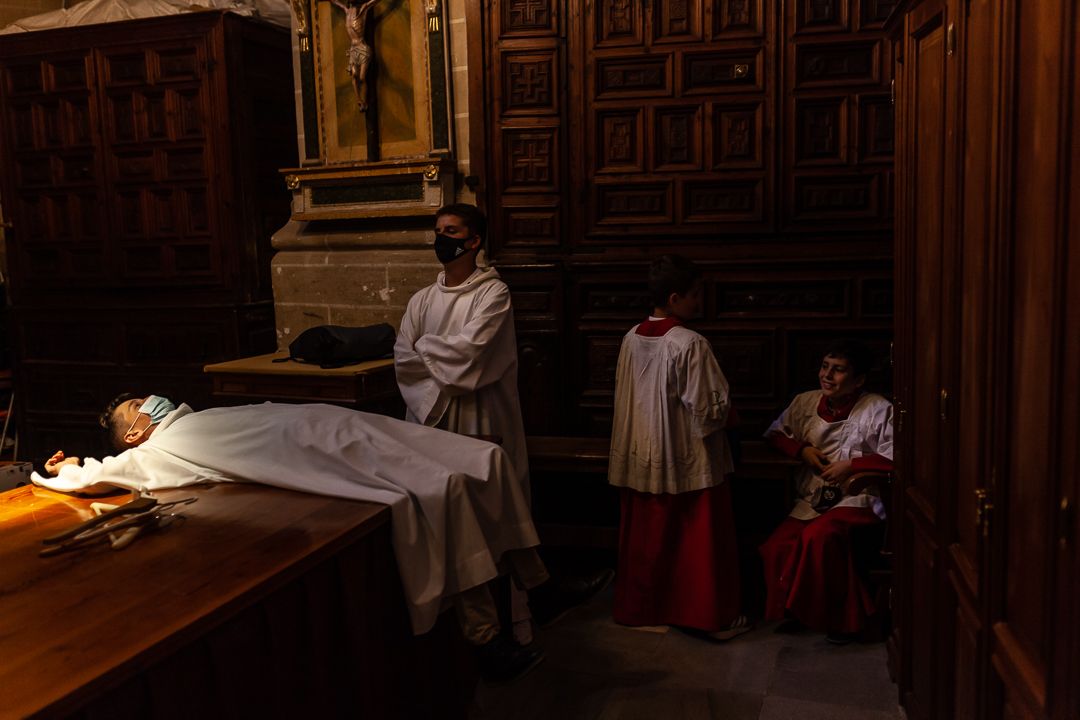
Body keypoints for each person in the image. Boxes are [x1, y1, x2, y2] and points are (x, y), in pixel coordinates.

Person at [35, 394, 548, 681]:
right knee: (441, 486)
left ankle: (536, 586)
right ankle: (487, 640)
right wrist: (66, 469)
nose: (152, 400)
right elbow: (99, 476)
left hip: (327, 420)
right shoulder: (152, 452)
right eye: (138, 405)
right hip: (317, 446)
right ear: (133, 432)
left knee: (480, 457)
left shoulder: (200, 418)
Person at [394, 204, 612, 656]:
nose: (441, 239)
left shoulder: (492, 294)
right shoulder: (421, 301)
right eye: (437, 231)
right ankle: (515, 611)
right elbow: (403, 357)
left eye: (451, 231)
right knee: (455, 519)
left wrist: (427, 354)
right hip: (432, 421)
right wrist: (436, 361)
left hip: (481, 418)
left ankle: (514, 620)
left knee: (492, 512)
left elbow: (472, 353)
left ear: (473, 241)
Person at [607, 255, 750, 639]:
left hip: (643, 449)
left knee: (650, 541)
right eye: (695, 295)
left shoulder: (630, 336)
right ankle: (705, 616)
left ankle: (646, 609)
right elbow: (707, 409)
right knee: (696, 545)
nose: (699, 302)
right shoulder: (689, 342)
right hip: (685, 455)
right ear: (674, 298)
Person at [759, 341, 893, 643]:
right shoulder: (806, 402)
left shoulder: (877, 408)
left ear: (858, 380)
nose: (827, 376)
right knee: (777, 546)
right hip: (815, 495)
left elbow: (896, 454)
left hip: (860, 497)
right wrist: (801, 449)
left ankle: (845, 621)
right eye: (824, 367)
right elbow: (774, 433)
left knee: (819, 537)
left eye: (839, 370)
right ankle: (798, 611)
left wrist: (853, 465)